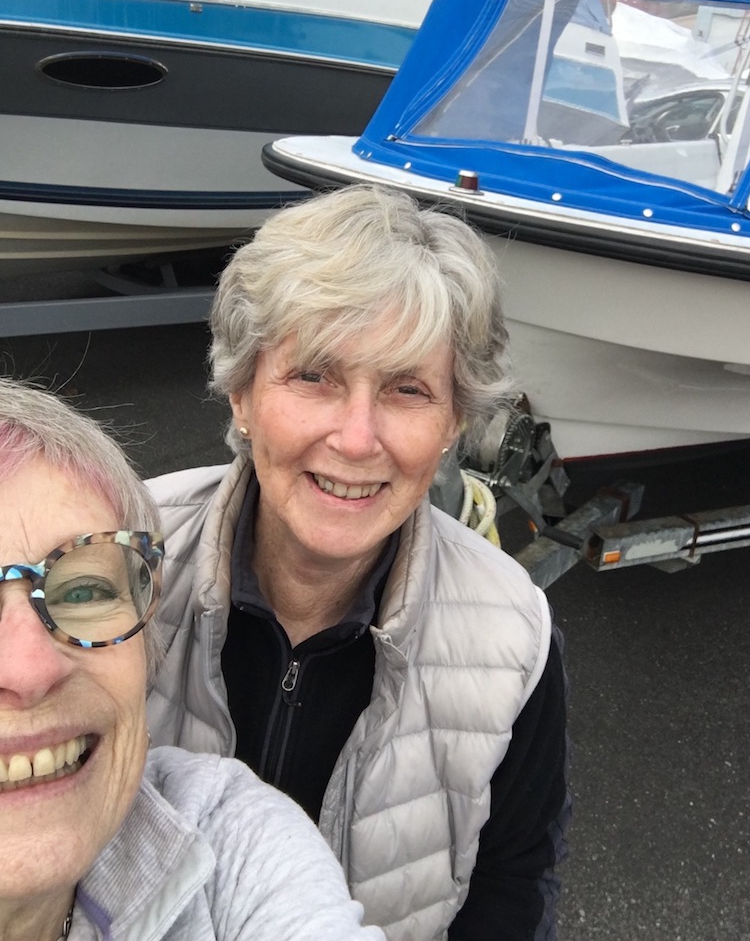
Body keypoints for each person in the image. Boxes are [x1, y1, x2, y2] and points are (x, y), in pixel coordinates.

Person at [146, 184, 570, 941]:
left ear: (451, 425)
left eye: (408, 389)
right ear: (241, 392)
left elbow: (514, 880)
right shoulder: (122, 557)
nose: (356, 437)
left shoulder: (515, 637)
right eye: (315, 376)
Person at [0, 376, 384, 941]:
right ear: (241, 396)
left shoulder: (227, 837)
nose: (28, 670)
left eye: (83, 591)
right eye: (311, 376)